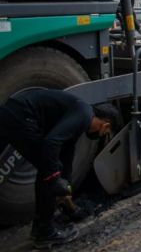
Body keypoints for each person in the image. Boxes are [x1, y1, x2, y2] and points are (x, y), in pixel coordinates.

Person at [0, 89, 118, 249]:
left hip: (13, 112)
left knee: (50, 168)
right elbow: (51, 143)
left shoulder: (80, 116)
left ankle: (43, 226)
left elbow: (67, 154)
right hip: (21, 116)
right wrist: (55, 179)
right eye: (106, 133)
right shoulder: (84, 115)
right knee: (48, 169)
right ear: (106, 125)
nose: (102, 134)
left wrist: (66, 187)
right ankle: (45, 232)